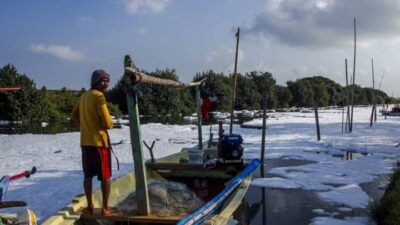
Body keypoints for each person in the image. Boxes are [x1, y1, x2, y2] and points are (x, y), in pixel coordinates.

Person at [71, 69, 116, 216]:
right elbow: (108, 123)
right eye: (103, 81)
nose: (106, 84)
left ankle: (90, 207)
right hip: (99, 143)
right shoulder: (98, 97)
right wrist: (103, 125)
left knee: (88, 175)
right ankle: (105, 208)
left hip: (85, 142)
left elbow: (73, 116)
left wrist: (86, 124)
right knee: (106, 177)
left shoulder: (83, 96)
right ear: (95, 82)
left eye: (108, 81)